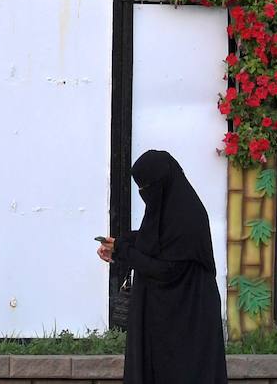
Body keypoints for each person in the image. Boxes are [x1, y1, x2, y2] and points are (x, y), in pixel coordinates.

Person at [97, 150, 227, 384]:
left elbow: (166, 270)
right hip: (162, 319)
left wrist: (123, 251)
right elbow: (152, 240)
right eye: (141, 187)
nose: (145, 193)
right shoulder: (167, 209)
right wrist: (119, 243)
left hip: (190, 319)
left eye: (148, 186)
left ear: (163, 182)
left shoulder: (188, 217)